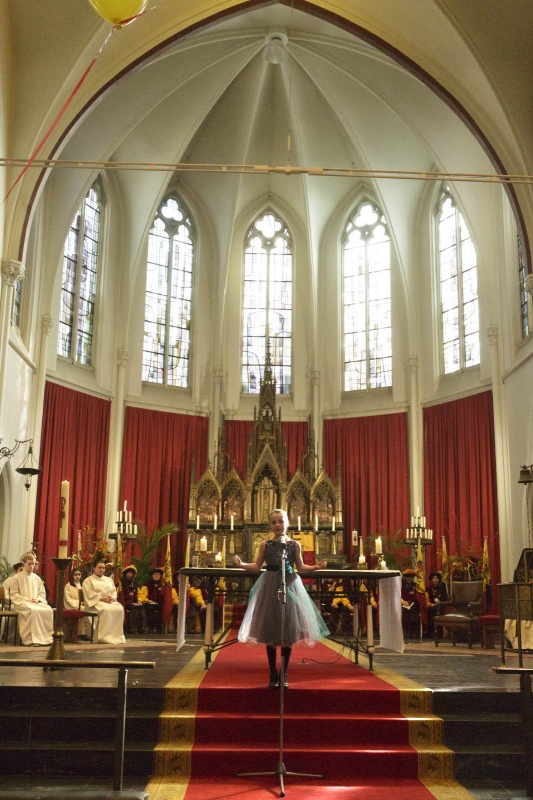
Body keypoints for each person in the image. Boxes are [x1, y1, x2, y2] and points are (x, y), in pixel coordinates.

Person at [232, 508, 328, 689]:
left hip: (290, 585)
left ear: (287, 523)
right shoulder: (265, 545)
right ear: (270, 525)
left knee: (288, 629)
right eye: (274, 522)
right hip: (269, 586)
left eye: (281, 521)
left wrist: (315, 566)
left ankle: (284, 673)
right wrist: (241, 564)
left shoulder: (294, 545)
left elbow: (300, 567)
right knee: (270, 628)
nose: (278, 525)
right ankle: (272, 673)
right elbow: (256, 566)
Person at [10, 553, 53, 646]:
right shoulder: (16, 578)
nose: (32, 566)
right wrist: (26, 600)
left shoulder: (37, 578)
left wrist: (38, 600)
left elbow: (42, 593)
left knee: (48, 609)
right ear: (24, 564)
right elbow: (13, 594)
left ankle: (45, 638)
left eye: (34, 564)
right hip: (22, 603)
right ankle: (31, 640)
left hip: (35, 602)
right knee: (32, 610)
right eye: (29, 564)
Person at [82, 559, 125, 645]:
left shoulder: (109, 580)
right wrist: (101, 598)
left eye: (103, 568)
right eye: (99, 567)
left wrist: (111, 598)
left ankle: (115, 637)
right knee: (106, 610)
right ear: (94, 568)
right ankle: (102, 637)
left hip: (109, 602)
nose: (102, 569)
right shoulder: (88, 580)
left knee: (119, 608)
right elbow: (89, 594)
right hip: (96, 603)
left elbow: (113, 591)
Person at [64, 566, 92, 640]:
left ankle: (88, 633)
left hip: (83, 604)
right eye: (75, 575)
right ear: (72, 576)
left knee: (90, 610)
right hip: (72, 606)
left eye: (79, 575)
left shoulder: (84, 585)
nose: (77, 577)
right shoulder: (68, 586)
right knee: (83, 610)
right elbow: (68, 599)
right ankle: (80, 633)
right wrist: (79, 603)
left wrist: (85, 602)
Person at [119, 566, 146, 634]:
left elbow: (140, 595)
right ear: (125, 574)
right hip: (125, 602)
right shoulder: (121, 582)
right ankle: (132, 628)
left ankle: (141, 628)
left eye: (131, 573)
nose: (130, 574)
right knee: (133, 607)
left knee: (141, 606)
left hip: (134, 601)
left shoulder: (134, 583)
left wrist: (139, 600)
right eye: (128, 573)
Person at [425, 570, 449, 637]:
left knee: (437, 610)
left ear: (439, 580)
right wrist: (431, 604)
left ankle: (439, 633)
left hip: (440, 606)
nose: (435, 580)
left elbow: (445, 598)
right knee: (431, 611)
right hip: (431, 606)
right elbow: (426, 600)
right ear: (431, 580)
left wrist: (439, 602)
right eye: (433, 578)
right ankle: (431, 633)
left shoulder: (442, 587)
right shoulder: (428, 589)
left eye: (437, 578)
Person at [401, 568, 421, 638]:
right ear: (405, 577)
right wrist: (403, 601)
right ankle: (406, 631)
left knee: (414, 611)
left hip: (413, 603)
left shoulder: (415, 585)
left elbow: (418, 595)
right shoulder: (400, 585)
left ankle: (414, 631)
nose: (410, 579)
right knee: (405, 612)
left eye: (411, 577)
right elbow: (397, 595)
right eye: (408, 577)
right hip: (403, 603)